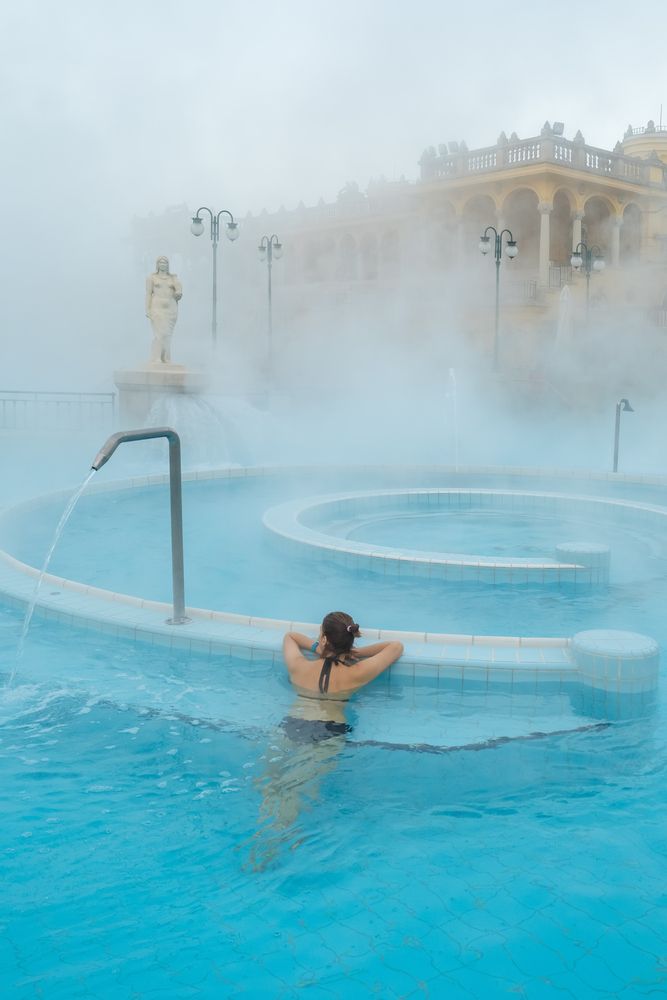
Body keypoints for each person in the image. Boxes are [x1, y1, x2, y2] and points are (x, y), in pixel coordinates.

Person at [282, 610, 404, 702]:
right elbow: (396, 646)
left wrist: (319, 649)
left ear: (324, 639)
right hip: (331, 730)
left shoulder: (299, 666)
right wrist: (354, 652)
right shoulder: (356, 673)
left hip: (293, 725)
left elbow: (290, 636)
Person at [145, 256, 182, 364]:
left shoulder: (173, 278)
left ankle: (166, 357)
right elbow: (148, 294)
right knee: (160, 333)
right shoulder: (152, 278)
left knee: (168, 334)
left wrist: (178, 293)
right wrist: (147, 309)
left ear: (168, 265)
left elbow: (179, 290)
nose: (163, 264)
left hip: (171, 308)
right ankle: (156, 357)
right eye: (161, 262)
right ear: (157, 264)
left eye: (165, 262)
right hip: (157, 307)